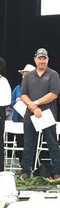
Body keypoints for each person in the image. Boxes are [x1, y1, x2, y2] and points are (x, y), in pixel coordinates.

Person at [20, 48, 60, 180]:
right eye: (40, 58)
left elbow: (54, 94)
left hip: (47, 114)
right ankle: (25, 171)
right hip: (30, 114)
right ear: (35, 59)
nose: (42, 61)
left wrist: (35, 103)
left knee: (52, 144)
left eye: (44, 58)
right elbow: (23, 95)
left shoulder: (53, 74)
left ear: (48, 59)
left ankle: (57, 172)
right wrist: (33, 107)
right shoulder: (28, 76)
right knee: (28, 144)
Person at [10, 64, 35, 164]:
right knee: (20, 143)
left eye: (27, 74)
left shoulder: (36, 88)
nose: (24, 76)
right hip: (18, 119)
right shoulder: (17, 88)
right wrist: (16, 101)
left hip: (31, 119)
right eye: (23, 74)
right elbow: (9, 102)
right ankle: (22, 164)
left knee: (31, 142)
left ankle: (32, 165)